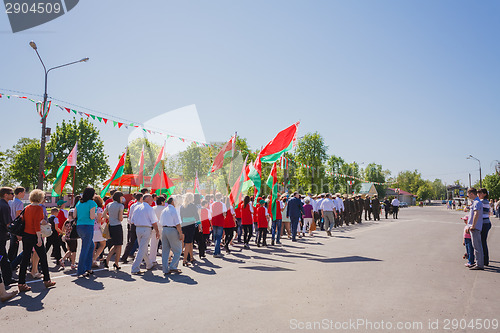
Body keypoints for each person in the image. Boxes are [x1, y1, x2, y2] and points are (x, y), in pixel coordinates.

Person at [17, 189, 56, 292]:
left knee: (25, 259)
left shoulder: (27, 208)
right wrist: (39, 238)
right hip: (34, 235)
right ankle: (47, 280)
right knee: (43, 258)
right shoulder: (38, 208)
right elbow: (36, 225)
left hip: (26, 235)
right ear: (40, 198)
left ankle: (21, 283)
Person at [130, 194, 160, 274]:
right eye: (151, 198)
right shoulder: (149, 208)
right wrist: (157, 231)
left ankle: (149, 264)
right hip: (146, 228)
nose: (152, 200)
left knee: (142, 248)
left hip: (138, 228)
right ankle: (135, 268)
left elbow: (132, 220)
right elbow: (154, 221)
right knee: (142, 249)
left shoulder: (137, 207)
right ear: (146, 199)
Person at [74, 187, 97, 277]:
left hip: (79, 226)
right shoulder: (92, 203)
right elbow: (92, 217)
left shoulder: (79, 202)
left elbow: (75, 214)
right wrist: (95, 214)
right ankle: (81, 270)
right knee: (85, 248)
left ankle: (88, 267)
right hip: (88, 226)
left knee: (90, 246)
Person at [160, 197, 184, 274]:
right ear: (173, 202)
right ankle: (173, 266)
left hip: (165, 229)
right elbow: (178, 224)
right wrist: (180, 233)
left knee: (165, 251)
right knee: (178, 250)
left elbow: (161, 222)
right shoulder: (174, 210)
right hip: (172, 230)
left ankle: (165, 269)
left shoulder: (164, 210)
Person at [104, 191, 124, 270]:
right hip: (117, 226)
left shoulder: (109, 204)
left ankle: (107, 260)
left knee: (115, 245)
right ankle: (116, 263)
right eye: (122, 197)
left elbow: (104, 215)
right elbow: (120, 218)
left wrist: (110, 218)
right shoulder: (120, 206)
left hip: (111, 226)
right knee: (119, 245)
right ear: (119, 197)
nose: (123, 199)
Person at [0, 187, 15, 286]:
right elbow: (7, 224)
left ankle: (7, 278)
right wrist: (16, 232)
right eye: (11, 193)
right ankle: (7, 279)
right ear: (6, 195)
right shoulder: (5, 206)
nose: (13, 195)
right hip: (1, 235)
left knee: (3, 257)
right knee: (3, 258)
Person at [121, 193, 143, 264]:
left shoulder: (133, 205)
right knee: (141, 242)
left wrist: (130, 223)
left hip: (133, 224)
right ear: (141, 198)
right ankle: (141, 257)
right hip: (139, 225)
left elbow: (130, 215)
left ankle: (124, 256)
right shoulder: (141, 206)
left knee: (131, 242)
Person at [466, 188, 484, 270]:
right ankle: (478, 262)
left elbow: (476, 214)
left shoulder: (477, 202)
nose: (468, 196)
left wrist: (473, 225)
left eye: (468, 194)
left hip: (475, 228)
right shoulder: (476, 202)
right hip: (476, 227)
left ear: (471, 194)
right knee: (477, 246)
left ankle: (479, 264)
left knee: (477, 246)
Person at [180, 193, 198, 266]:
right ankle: (184, 260)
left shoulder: (182, 206)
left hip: (184, 224)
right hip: (191, 224)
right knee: (188, 242)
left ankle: (191, 257)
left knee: (190, 242)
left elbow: (181, 216)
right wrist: (199, 224)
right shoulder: (193, 206)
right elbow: (196, 215)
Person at [8, 186, 24, 263]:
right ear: (20, 193)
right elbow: (18, 215)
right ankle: (12, 262)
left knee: (12, 245)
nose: (24, 194)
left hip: (10, 225)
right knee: (15, 245)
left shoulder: (10, 201)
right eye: (23, 193)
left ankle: (10, 261)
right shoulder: (19, 203)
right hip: (16, 225)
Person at [150, 195, 166, 265]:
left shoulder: (153, 208)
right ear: (162, 202)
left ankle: (152, 259)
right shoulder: (165, 208)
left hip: (154, 227)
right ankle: (166, 258)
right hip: (163, 227)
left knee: (153, 244)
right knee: (165, 244)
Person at [478, 188, 491, 266]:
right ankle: (485, 259)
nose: (479, 194)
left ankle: (485, 260)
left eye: (480, 193)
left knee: (482, 242)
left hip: (484, 223)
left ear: (485, 194)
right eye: (478, 193)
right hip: (486, 222)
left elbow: (475, 209)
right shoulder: (485, 201)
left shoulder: (482, 201)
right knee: (483, 241)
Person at [92, 195, 106, 268]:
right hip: (97, 228)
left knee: (93, 245)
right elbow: (99, 220)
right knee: (103, 243)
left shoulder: (92, 208)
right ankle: (94, 258)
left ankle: (92, 260)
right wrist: (104, 219)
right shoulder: (99, 209)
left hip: (91, 228)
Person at [211, 193, 226, 257]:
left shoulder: (212, 204)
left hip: (214, 221)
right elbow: (224, 214)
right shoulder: (223, 204)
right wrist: (224, 216)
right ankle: (216, 252)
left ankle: (218, 251)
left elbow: (211, 213)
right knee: (219, 237)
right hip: (220, 222)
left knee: (216, 237)